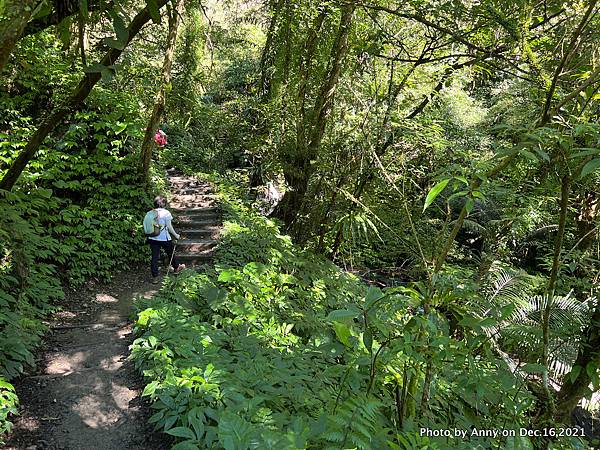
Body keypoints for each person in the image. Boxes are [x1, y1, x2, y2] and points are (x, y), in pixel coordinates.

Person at [147, 196, 185, 283]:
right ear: (163, 204)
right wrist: (176, 235)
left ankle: (155, 277)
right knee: (170, 253)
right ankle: (176, 268)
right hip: (164, 238)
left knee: (154, 257)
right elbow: (169, 226)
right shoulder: (166, 213)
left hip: (152, 238)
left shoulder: (150, 213)